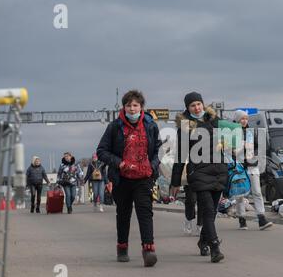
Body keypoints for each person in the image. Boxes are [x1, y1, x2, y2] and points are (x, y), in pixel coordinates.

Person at [97, 90, 161, 267]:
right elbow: (101, 151)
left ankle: (148, 250)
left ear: (141, 107)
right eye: (128, 105)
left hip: (144, 177)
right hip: (122, 178)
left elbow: (157, 150)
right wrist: (119, 163)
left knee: (145, 213)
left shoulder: (150, 125)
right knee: (124, 214)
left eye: (135, 105)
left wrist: (152, 165)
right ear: (123, 107)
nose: (132, 109)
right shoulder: (115, 126)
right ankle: (122, 247)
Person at [171, 92, 228, 263]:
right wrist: (175, 182)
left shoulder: (215, 120)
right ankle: (215, 247)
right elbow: (180, 156)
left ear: (203, 104)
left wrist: (229, 142)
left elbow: (230, 140)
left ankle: (203, 240)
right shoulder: (185, 127)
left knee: (212, 211)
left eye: (198, 104)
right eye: (192, 105)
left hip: (218, 170)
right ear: (187, 108)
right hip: (199, 172)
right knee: (208, 211)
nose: (196, 108)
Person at [233, 110, 273, 230]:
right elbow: (229, 151)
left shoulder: (251, 133)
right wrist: (239, 148)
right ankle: (242, 218)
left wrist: (254, 153)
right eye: (242, 119)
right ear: (237, 120)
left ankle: (261, 218)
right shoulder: (231, 133)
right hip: (238, 167)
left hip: (252, 166)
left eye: (246, 119)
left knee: (257, 191)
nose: (245, 121)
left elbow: (258, 147)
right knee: (240, 194)